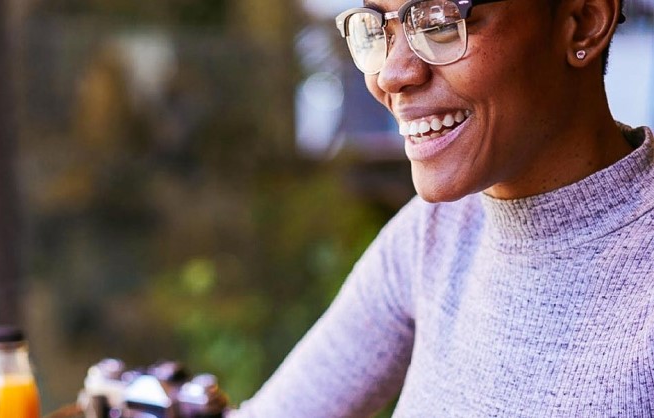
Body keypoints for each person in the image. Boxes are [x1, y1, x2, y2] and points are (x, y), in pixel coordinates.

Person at [230, 0, 654, 416]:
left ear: (584, 22)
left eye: (440, 21)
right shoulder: (434, 233)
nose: (392, 75)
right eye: (379, 29)